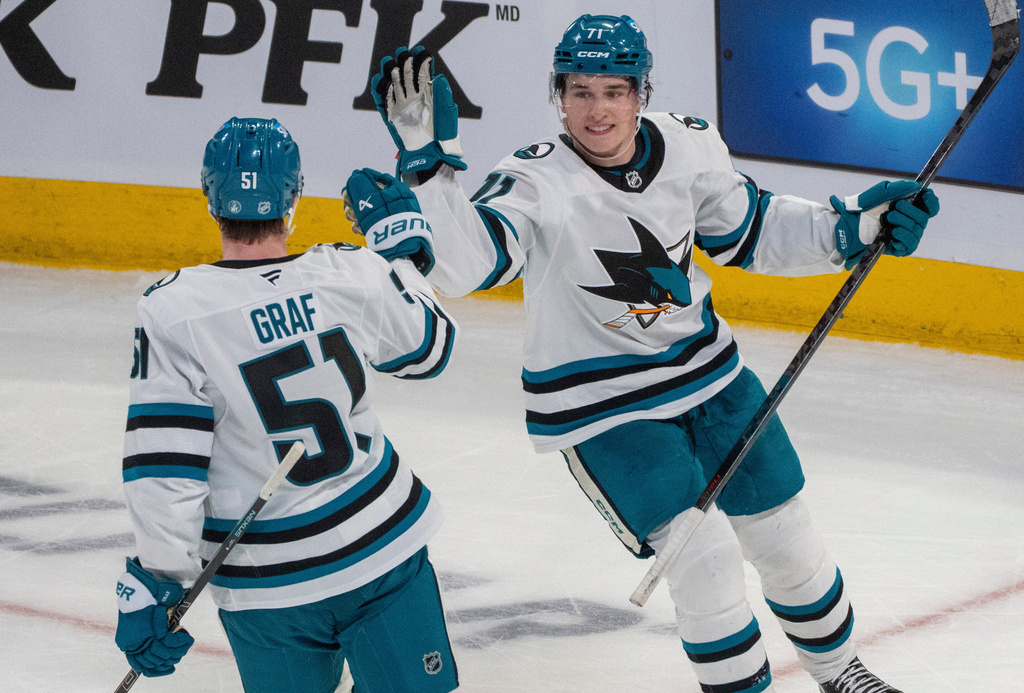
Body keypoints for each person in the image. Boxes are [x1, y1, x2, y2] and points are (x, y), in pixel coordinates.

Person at [353, 14, 940, 693]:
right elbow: (467, 266)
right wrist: (428, 168)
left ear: (640, 94)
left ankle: (843, 674)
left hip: (712, 379)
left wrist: (850, 229)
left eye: (613, 91)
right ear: (558, 95)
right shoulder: (534, 180)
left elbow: (750, 229)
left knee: (788, 537)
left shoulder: (690, 145)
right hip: (602, 408)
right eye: (579, 91)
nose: (596, 110)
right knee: (705, 560)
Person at [114, 116, 460, 693]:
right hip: (382, 549)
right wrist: (401, 260)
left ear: (210, 199)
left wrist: (159, 579)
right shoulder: (350, 271)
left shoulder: (174, 310)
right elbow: (429, 349)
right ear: (294, 198)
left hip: (267, 585)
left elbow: (165, 463)